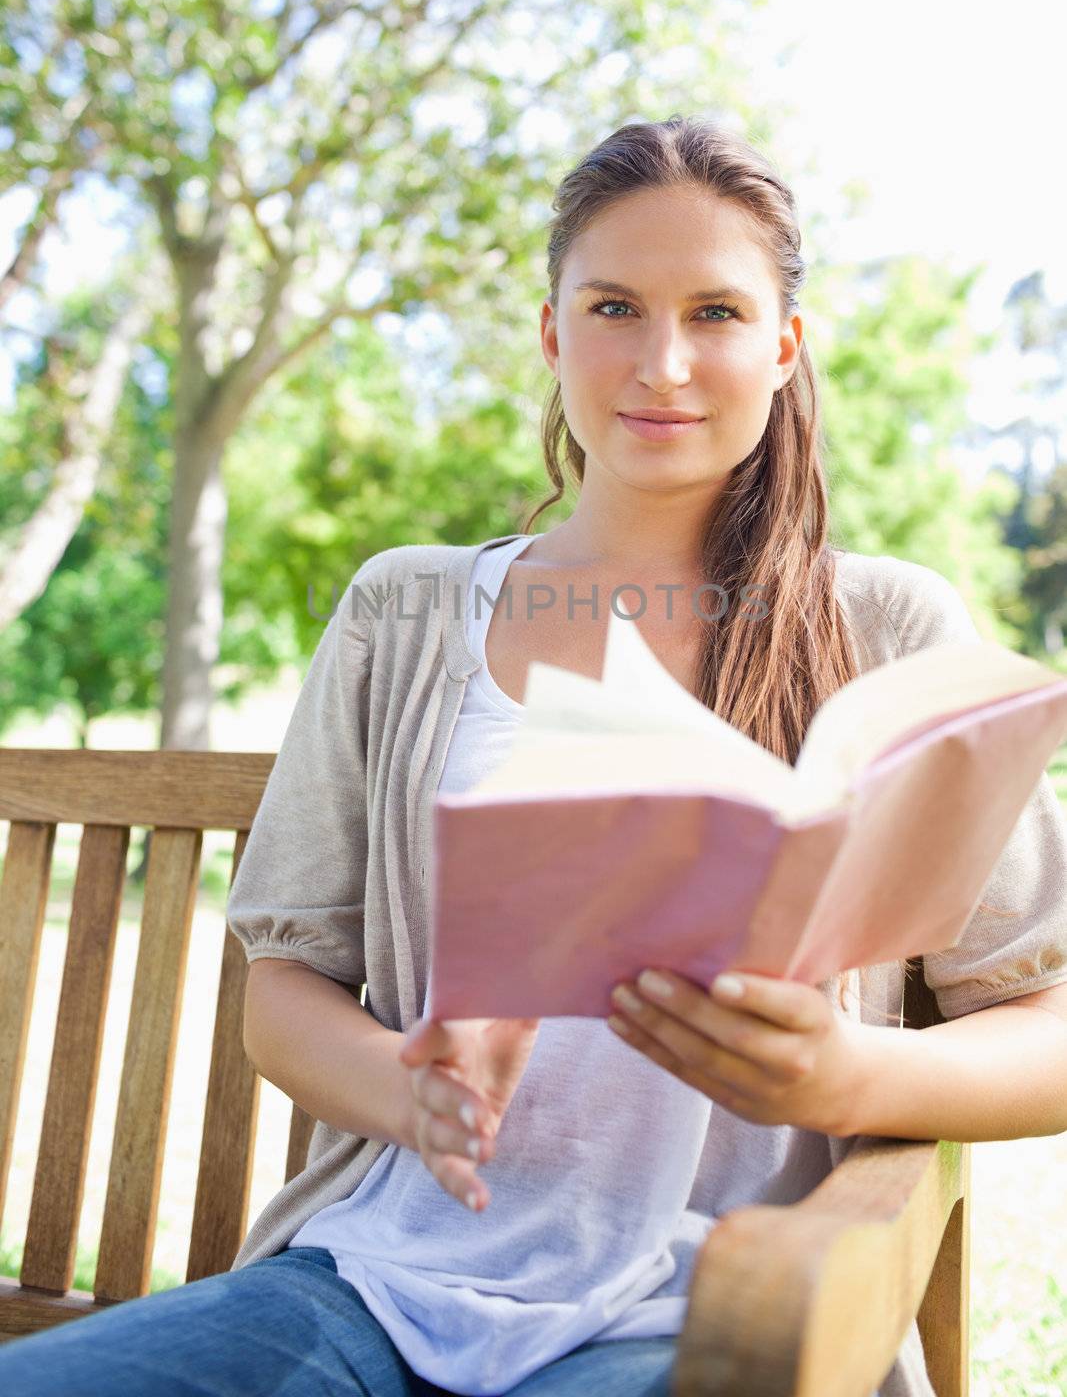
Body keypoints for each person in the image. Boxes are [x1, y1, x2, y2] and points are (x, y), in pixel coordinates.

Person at [4, 114, 1066, 1397]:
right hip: (373, 1286)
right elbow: (286, 989)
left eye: (716, 313)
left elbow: (1042, 1018)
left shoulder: (885, 627)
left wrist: (848, 1071)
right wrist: (410, 1090)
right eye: (613, 305)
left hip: (704, 1314)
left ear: (782, 348)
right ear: (553, 332)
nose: (662, 363)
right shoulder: (406, 610)